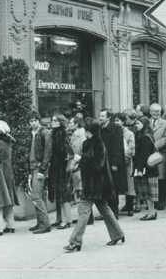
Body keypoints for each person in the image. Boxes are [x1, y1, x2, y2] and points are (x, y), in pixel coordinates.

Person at [64, 119, 125, 252]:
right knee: (105, 210)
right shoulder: (91, 143)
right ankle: (118, 234)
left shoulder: (97, 144)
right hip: (98, 184)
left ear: (89, 132)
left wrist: (81, 160)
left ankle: (75, 241)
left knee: (83, 212)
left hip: (95, 184)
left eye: (86, 130)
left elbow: (98, 164)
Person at [96, 108, 125, 221]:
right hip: (102, 163)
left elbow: (119, 147)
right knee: (104, 189)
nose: (100, 117)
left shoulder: (115, 128)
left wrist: (115, 163)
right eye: (100, 115)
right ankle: (105, 213)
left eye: (103, 116)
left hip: (111, 163)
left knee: (113, 189)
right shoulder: (101, 128)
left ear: (109, 117)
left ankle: (113, 213)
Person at [27, 110, 52, 233]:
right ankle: (41, 222)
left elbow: (48, 151)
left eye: (35, 120)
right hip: (33, 167)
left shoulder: (44, 132)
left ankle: (45, 224)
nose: (33, 123)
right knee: (40, 195)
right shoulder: (32, 133)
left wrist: (43, 169)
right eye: (31, 121)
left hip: (39, 167)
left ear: (39, 120)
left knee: (36, 196)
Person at [48, 114, 74, 231]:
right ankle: (61, 219)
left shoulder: (59, 133)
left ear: (60, 122)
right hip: (59, 167)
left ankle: (66, 220)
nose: (52, 122)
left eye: (55, 120)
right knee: (60, 194)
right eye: (52, 120)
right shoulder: (58, 133)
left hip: (60, 168)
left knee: (63, 193)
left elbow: (61, 151)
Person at [132, 116, 159, 221]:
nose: (136, 125)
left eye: (138, 123)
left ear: (144, 124)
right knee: (148, 192)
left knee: (148, 192)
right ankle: (151, 212)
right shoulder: (147, 135)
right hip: (149, 168)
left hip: (146, 169)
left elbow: (144, 155)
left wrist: (139, 169)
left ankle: (151, 213)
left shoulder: (145, 137)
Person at [113, 112, 136, 216]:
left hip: (126, 162)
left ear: (123, 122)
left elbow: (131, 148)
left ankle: (130, 207)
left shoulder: (129, 133)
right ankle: (115, 208)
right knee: (116, 185)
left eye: (117, 120)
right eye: (114, 121)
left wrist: (124, 158)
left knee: (129, 184)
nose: (115, 123)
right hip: (115, 162)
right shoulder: (112, 132)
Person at [150, 103, 166, 210]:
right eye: (154, 111)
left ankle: (162, 201)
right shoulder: (146, 122)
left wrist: (153, 147)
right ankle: (153, 201)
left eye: (158, 111)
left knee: (161, 179)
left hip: (161, 154)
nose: (156, 113)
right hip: (148, 155)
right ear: (150, 112)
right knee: (151, 178)